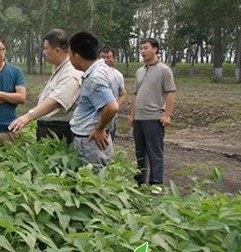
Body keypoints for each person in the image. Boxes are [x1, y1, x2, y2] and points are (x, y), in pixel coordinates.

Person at [8, 29, 82, 143]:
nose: (44, 52)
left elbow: (56, 101)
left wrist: (28, 117)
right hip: (48, 129)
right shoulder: (58, 69)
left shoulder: (71, 73)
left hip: (60, 132)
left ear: (57, 50)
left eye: (46, 48)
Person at [129, 38, 176, 192]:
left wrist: (167, 115)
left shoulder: (164, 70)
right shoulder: (139, 71)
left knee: (155, 153)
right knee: (139, 152)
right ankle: (139, 182)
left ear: (155, 49)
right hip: (139, 119)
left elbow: (170, 93)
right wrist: (132, 114)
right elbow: (135, 94)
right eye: (141, 48)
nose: (142, 51)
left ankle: (156, 185)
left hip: (154, 118)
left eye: (146, 48)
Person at [69, 32, 119, 169]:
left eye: (70, 54)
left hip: (90, 140)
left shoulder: (94, 78)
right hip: (97, 140)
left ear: (77, 57)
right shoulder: (105, 69)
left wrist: (99, 129)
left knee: (91, 182)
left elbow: (112, 106)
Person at [99, 47, 127, 140]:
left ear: (113, 59)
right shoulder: (94, 74)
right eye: (102, 57)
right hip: (95, 116)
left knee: (109, 141)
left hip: (111, 117)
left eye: (108, 57)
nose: (105, 60)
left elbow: (122, 94)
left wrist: (115, 108)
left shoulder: (118, 75)